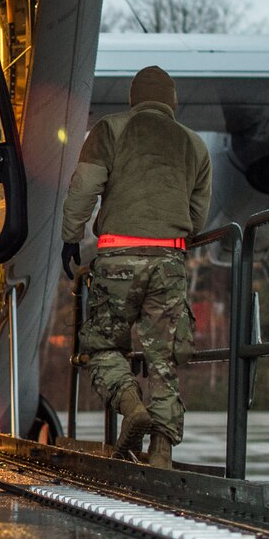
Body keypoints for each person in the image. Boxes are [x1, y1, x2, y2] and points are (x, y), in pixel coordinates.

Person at [59, 66, 212, 469]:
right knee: (164, 360)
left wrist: (71, 235)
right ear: (171, 100)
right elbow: (197, 217)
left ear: (133, 98)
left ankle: (132, 406)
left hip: (118, 258)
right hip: (170, 261)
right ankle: (161, 455)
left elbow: (84, 188)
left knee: (101, 346)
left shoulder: (110, 130)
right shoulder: (194, 145)